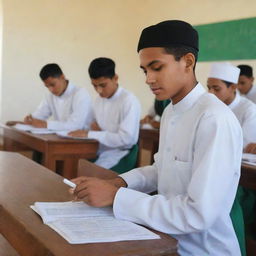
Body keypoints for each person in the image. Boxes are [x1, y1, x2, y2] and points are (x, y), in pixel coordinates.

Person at [70, 21, 244, 255]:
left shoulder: (214, 119)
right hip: (164, 238)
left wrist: (116, 196)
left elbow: (198, 214)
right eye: (145, 70)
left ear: (188, 62)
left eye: (156, 67)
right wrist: (118, 183)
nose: (148, 79)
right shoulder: (171, 111)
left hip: (202, 249)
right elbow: (161, 168)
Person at [68, 58, 141, 172]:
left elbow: (126, 139)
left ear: (115, 78)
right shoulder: (98, 100)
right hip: (100, 150)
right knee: (71, 164)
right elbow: (91, 125)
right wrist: (92, 132)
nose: (99, 90)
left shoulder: (128, 100)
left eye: (103, 85)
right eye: (94, 85)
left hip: (122, 154)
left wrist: (94, 133)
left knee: (88, 176)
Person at [23, 63, 93, 130]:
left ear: (62, 77)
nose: (51, 90)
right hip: (63, 138)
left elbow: (76, 125)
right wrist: (30, 119)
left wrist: (46, 124)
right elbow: (39, 115)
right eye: (47, 86)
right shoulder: (50, 96)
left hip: (84, 139)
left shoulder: (80, 93)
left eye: (53, 85)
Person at [207, 62, 256, 148]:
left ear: (233, 87)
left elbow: (244, 144)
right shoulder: (208, 105)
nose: (210, 92)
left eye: (216, 88)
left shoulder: (249, 110)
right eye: (209, 88)